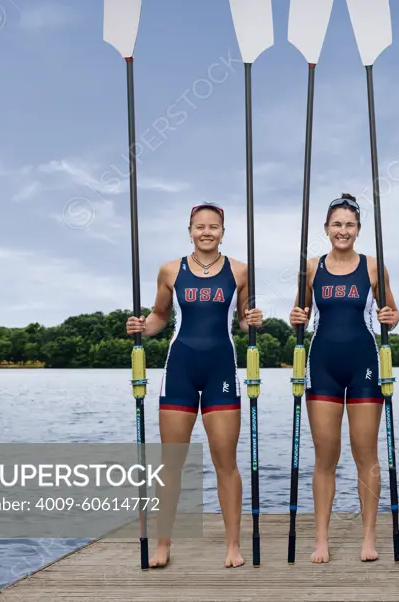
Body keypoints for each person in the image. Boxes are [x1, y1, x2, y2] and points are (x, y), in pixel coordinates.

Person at [125, 202, 262, 569]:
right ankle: (163, 544)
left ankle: (233, 545)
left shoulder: (239, 270)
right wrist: (142, 327)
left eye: (214, 226)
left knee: (225, 463)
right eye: (200, 226)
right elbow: (160, 316)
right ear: (189, 230)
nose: (206, 232)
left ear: (222, 231)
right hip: (181, 370)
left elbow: (244, 323)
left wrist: (255, 321)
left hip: (220, 371)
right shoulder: (171, 270)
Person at [288, 193, 399, 563]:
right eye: (336, 224)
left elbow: (393, 312)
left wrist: (391, 318)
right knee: (325, 455)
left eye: (349, 225)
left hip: (364, 363)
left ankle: (368, 537)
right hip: (322, 366)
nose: (343, 230)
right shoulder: (311, 267)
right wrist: (295, 320)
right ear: (326, 229)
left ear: (358, 230)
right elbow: (300, 312)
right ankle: (322, 539)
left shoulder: (372, 267)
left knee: (365, 454)